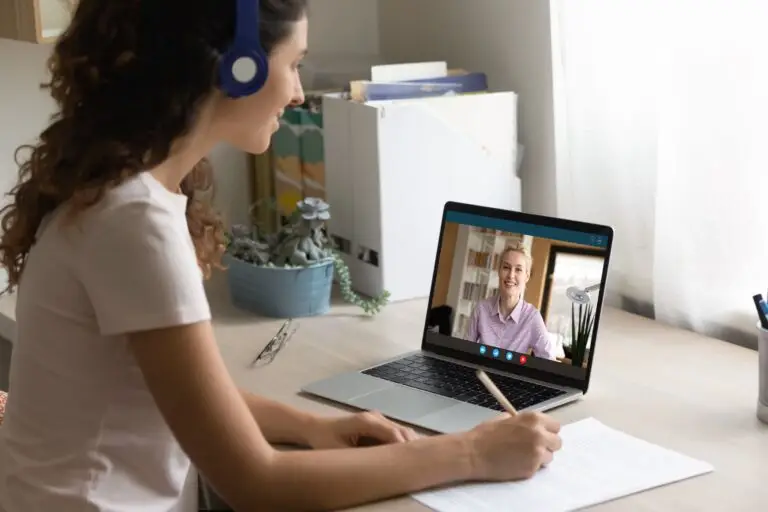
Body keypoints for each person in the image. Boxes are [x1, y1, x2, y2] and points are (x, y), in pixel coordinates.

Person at [0, 1, 562, 511]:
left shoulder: (122, 193)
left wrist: (309, 426)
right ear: (235, 67)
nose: (298, 93)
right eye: (293, 64)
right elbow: (256, 482)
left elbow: (192, 397)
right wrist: (472, 454)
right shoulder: (135, 223)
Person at [466, 244, 557, 360]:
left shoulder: (532, 317)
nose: (511, 275)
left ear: (526, 277)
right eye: (506, 267)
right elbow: (466, 351)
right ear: (499, 271)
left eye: (518, 269)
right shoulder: (481, 309)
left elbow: (548, 361)